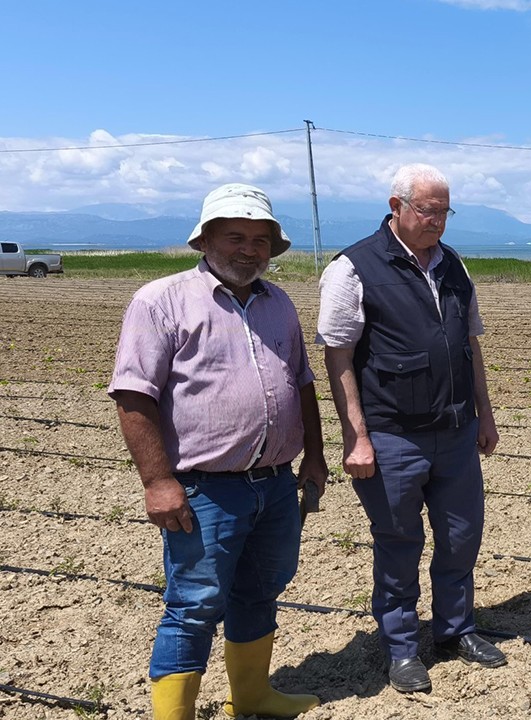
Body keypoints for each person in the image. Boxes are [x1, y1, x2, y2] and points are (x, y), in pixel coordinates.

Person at [110, 183, 327, 719]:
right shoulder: (161, 301)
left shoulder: (279, 304)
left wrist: (315, 457)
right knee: (193, 606)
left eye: (260, 239)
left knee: (261, 592)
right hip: (204, 489)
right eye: (235, 236)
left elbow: (301, 384)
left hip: (275, 484)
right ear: (205, 239)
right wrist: (158, 483)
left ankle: (252, 695)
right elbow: (134, 395)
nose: (248, 249)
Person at [317, 163, 503, 694]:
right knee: (399, 544)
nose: (438, 221)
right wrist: (356, 436)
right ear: (396, 205)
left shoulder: (454, 266)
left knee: (461, 538)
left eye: (445, 211)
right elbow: (339, 356)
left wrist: (484, 415)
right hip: (393, 434)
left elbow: (471, 347)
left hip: (456, 431)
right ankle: (401, 648)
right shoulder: (353, 268)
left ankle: (454, 630)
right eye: (428, 210)